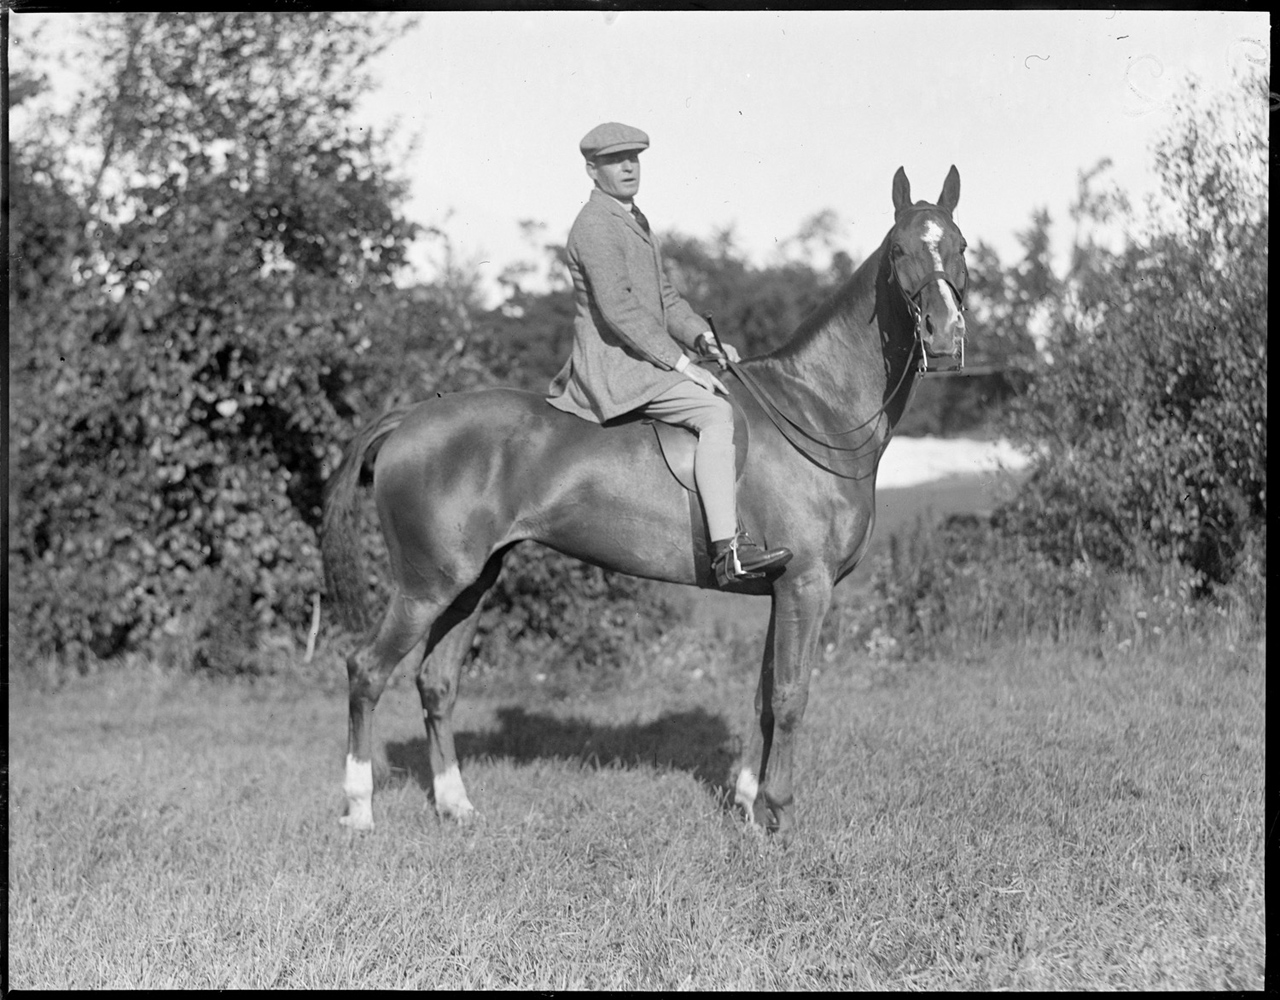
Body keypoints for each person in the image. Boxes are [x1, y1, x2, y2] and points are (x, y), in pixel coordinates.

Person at [547, 121, 792, 587]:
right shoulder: (595, 225)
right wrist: (682, 365)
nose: (627, 167)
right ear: (590, 169)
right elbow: (619, 310)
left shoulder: (633, 218)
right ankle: (728, 552)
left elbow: (664, 298)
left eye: (633, 158)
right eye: (614, 161)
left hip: (642, 358)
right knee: (716, 414)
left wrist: (702, 340)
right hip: (616, 368)